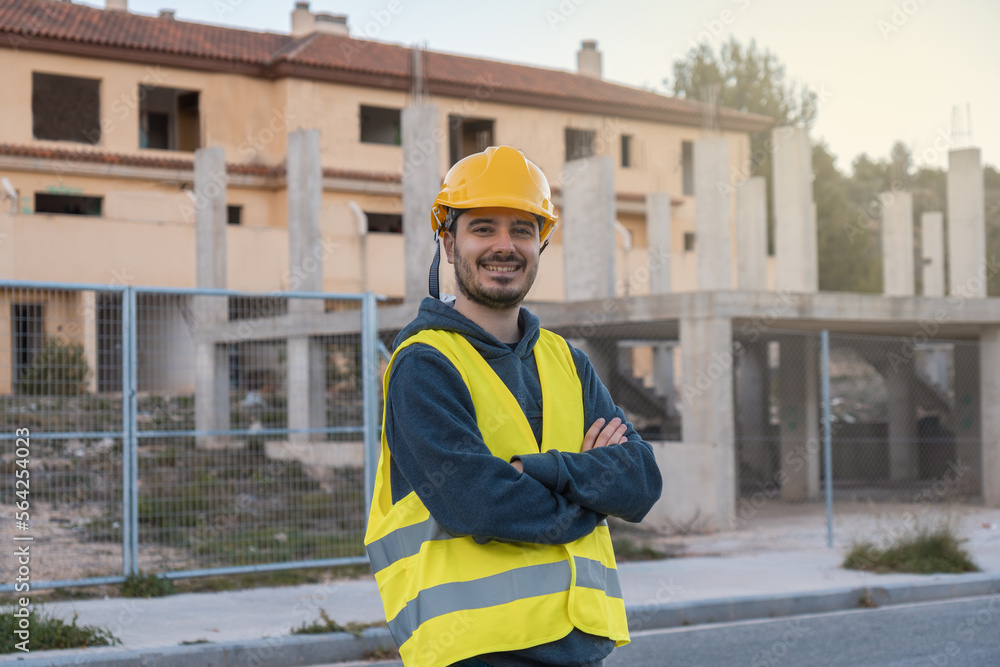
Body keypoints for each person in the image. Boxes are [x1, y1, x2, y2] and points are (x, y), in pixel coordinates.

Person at [364, 146, 663, 667]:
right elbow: (475, 504)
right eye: (483, 228)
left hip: (581, 643)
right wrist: (590, 498)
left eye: (522, 229)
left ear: (541, 243)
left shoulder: (567, 361)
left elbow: (640, 482)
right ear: (448, 243)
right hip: (478, 650)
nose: (505, 246)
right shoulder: (423, 364)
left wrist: (536, 471)